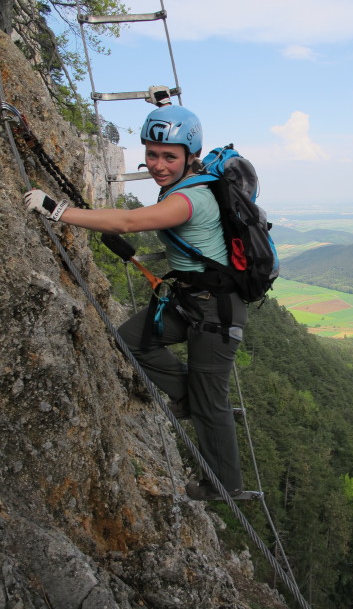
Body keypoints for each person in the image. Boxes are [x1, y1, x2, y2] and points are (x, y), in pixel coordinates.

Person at [24, 103, 247, 501]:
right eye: (151, 154)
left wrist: (58, 210)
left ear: (190, 157)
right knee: (131, 338)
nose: (158, 164)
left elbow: (127, 222)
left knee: (213, 403)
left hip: (216, 309)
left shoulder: (189, 199)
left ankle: (224, 483)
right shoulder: (183, 186)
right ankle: (187, 394)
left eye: (169, 156)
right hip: (191, 301)